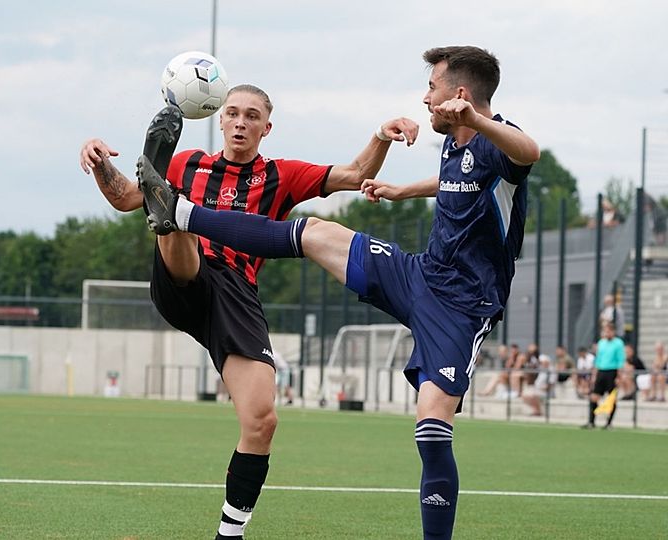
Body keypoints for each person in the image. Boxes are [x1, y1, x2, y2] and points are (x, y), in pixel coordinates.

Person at [137, 46, 538, 540]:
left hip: (462, 306)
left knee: (432, 428)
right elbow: (458, 182)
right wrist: (402, 190)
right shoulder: (457, 145)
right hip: (420, 275)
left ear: (460, 95)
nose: (425, 98)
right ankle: (181, 215)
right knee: (316, 233)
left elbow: (528, 152)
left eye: (432, 88)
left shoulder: (499, 141)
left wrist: (479, 119)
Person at [81, 85, 417, 539]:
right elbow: (124, 197)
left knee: (261, 420)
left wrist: (381, 133)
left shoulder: (281, 175)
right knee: (175, 223)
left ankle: (230, 533)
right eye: (233, 113)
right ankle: (171, 216)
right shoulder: (188, 163)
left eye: (252, 116)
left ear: (266, 127)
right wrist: (101, 164)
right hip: (187, 273)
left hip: (236, 293)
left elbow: (357, 172)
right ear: (219, 120)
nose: (241, 122)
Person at [584, 323, 625, 429]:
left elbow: (620, 360)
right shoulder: (601, 343)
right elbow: (598, 360)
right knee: (594, 397)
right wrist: (594, 375)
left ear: (613, 331)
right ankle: (591, 421)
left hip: (612, 372)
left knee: (611, 398)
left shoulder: (618, 343)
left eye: (608, 331)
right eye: (604, 331)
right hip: (601, 371)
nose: (606, 333)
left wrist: (619, 376)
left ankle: (609, 423)